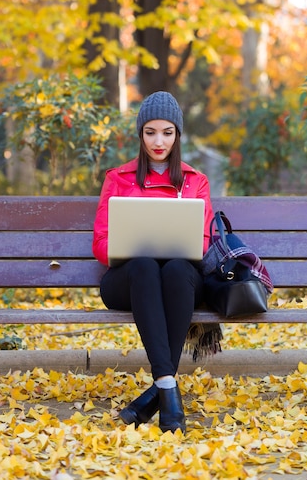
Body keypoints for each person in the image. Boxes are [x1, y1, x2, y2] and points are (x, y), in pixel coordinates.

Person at [92, 91, 214, 434]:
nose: (158, 141)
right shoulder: (118, 178)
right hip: (129, 280)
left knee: (176, 270)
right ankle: (168, 391)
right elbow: (101, 244)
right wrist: (133, 245)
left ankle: (159, 391)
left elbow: (201, 244)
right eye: (150, 132)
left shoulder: (195, 181)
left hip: (178, 280)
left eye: (167, 132)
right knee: (145, 266)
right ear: (140, 134)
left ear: (177, 135)